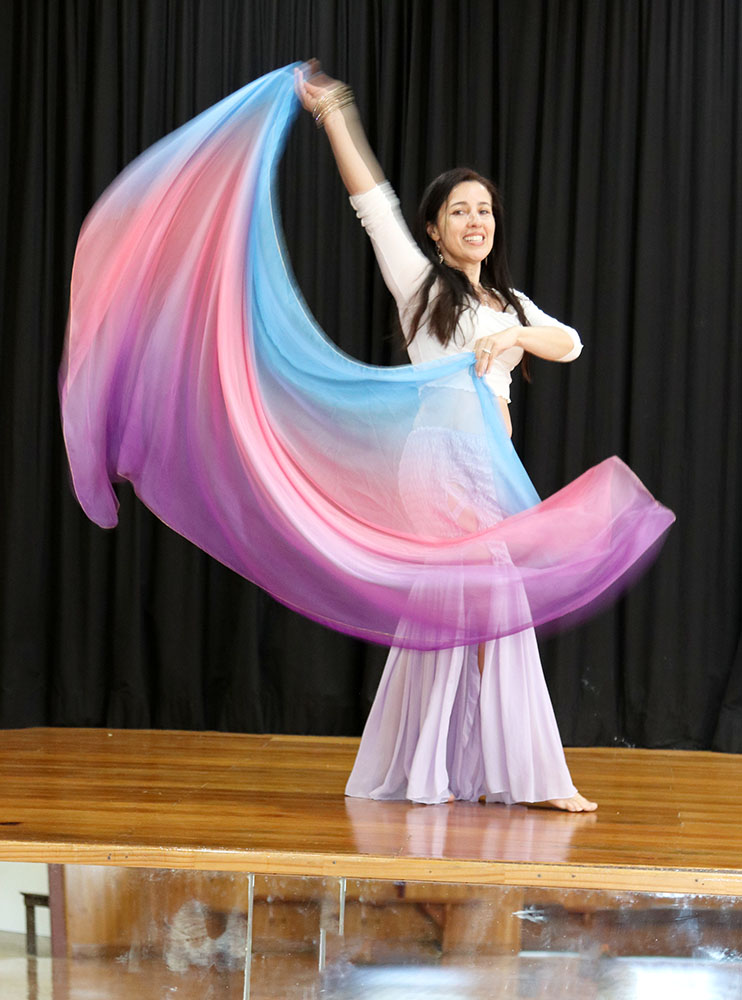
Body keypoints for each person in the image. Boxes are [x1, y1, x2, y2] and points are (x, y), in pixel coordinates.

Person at [296, 65, 597, 813]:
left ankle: (440, 770)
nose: (475, 222)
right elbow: (372, 204)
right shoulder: (420, 286)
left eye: (484, 211)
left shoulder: (509, 302)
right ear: (435, 228)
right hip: (439, 466)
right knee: (493, 610)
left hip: (492, 467)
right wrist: (335, 114)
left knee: (470, 614)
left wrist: (515, 335)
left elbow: (571, 343)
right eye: (460, 212)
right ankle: (514, 777)